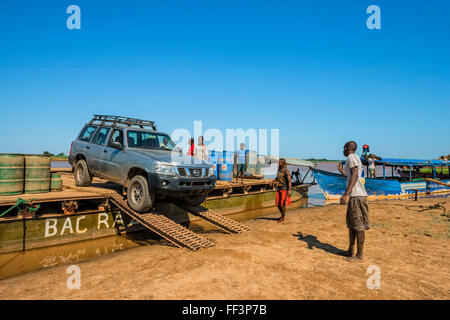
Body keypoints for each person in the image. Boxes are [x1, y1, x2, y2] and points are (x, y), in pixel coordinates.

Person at [337, 141, 369, 262]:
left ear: (347, 148)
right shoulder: (353, 158)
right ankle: (350, 251)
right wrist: (342, 172)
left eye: (343, 148)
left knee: (358, 226)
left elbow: (355, 175)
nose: (343, 150)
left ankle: (359, 255)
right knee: (351, 225)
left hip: (357, 197)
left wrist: (346, 194)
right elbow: (351, 176)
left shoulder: (351, 157)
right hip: (354, 196)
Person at [274, 158, 291, 223]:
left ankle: (283, 217)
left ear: (283, 163)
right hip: (279, 188)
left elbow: (289, 181)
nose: (278, 163)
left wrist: (289, 190)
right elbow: (278, 177)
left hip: (284, 189)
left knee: (283, 204)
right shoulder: (279, 170)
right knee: (278, 204)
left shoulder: (287, 172)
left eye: (280, 162)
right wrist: (273, 180)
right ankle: (282, 215)